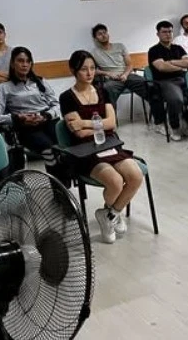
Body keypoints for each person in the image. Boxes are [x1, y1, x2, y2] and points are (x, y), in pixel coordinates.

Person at [59, 50, 144, 244]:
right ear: (73, 70)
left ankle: (110, 214)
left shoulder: (102, 90)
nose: (89, 73)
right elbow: (78, 133)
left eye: (92, 68)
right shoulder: (67, 97)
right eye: (84, 69)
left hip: (110, 143)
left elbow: (112, 123)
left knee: (136, 176)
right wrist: (99, 125)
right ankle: (113, 214)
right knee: (115, 182)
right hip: (86, 151)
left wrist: (85, 123)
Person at [0, 46, 60, 163]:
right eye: (20, 61)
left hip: (46, 119)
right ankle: (55, 173)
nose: (25, 65)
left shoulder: (40, 82)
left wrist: (46, 115)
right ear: (12, 64)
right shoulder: (4, 88)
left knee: (63, 144)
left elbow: (56, 105)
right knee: (48, 147)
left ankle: (64, 173)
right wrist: (18, 118)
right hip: (25, 125)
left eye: (28, 61)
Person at [147, 20, 188, 141]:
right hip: (165, 81)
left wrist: (171, 62)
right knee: (176, 99)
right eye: (164, 32)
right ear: (158, 34)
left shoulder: (178, 48)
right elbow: (162, 67)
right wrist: (180, 66)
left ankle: (186, 120)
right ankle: (175, 127)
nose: (168, 34)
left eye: (170, 31)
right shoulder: (154, 50)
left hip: (183, 78)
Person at [89, 23, 147, 107]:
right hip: (112, 80)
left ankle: (157, 113)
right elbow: (92, 70)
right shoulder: (94, 53)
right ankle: (111, 114)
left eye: (105, 32)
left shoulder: (120, 46)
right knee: (107, 89)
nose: (103, 35)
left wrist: (125, 75)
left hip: (127, 76)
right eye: (100, 34)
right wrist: (108, 73)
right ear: (95, 38)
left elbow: (129, 65)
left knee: (147, 83)